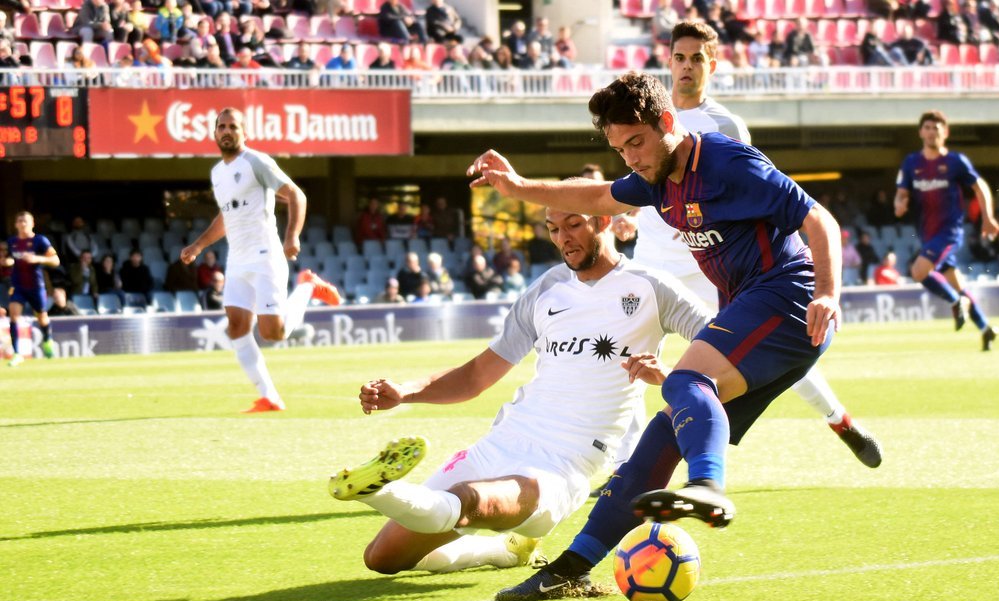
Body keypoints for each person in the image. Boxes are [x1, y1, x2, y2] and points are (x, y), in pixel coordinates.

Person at [471, 70, 844, 601]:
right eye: (621, 148)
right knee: (661, 436)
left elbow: (820, 220)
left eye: (637, 142)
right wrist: (517, 188)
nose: (632, 158)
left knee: (685, 380)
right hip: (761, 308)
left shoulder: (728, 162)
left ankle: (708, 487)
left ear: (667, 122)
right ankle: (571, 568)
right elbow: (598, 195)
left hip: (790, 297)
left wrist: (827, 292)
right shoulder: (653, 179)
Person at [327, 201, 711, 577]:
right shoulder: (546, 289)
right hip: (505, 439)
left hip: (563, 464)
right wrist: (405, 392)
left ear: (604, 220)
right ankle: (503, 551)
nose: (564, 239)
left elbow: (728, 350)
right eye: (553, 228)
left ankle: (371, 490)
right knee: (381, 559)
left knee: (467, 500)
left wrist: (669, 373)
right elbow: (478, 374)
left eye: (574, 224)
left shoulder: (651, 287)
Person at [624, 20, 881, 467]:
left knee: (771, 347)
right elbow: (638, 183)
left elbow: (749, 192)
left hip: (707, 265)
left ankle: (838, 418)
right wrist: (624, 220)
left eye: (696, 59)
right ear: (668, 61)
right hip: (649, 260)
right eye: (679, 58)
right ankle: (624, 464)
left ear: (713, 64)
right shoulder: (647, 118)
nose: (687, 67)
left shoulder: (725, 125)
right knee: (627, 357)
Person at [180, 107, 343, 412]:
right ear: (215, 133)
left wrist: (292, 236)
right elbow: (226, 217)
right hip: (238, 260)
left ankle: (308, 287)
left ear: (244, 132)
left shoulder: (255, 162)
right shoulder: (218, 173)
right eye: (222, 126)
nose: (227, 131)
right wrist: (199, 245)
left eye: (233, 126)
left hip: (265, 256)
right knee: (237, 327)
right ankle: (270, 397)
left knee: (274, 333)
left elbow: (297, 195)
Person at [894, 110, 999, 351]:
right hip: (928, 235)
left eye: (937, 128)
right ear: (921, 132)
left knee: (919, 271)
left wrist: (988, 216)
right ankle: (986, 329)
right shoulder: (911, 163)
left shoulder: (955, 162)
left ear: (945, 132)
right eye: (928, 128)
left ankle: (955, 302)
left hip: (949, 233)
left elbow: (979, 185)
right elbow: (901, 193)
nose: (932, 132)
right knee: (958, 284)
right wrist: (899, 203)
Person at [4, 212, 61, 365]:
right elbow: (11, 258)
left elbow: (55, 260)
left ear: (32, 223)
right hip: (18, 285)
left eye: (25, 221)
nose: (23, 224)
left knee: (42, 318)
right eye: (20, 221)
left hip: (36, 286)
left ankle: (48, 341)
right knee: (14, 316)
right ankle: (17, 353)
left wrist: (38, 258)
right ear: (15, 224)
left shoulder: (40, 241)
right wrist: (7, 261)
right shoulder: (12, 241)